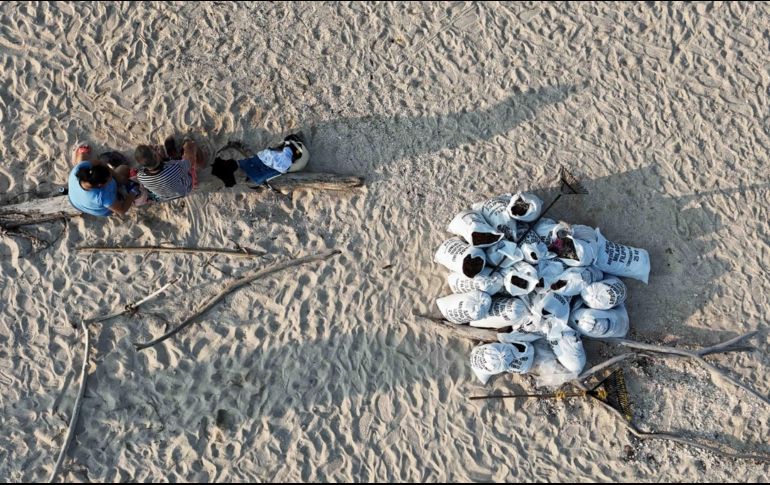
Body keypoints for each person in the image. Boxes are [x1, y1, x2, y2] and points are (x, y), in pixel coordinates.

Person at [67, 145, 139, 216]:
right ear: (100, 185)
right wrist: (133, 192)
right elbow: (122, 211)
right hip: (103, 210)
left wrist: (118, 177)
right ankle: (119, 195)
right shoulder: (102, 195)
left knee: (82, 155)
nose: (111, 179)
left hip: (74, 199)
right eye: (109, 180)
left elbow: (100, 163)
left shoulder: (79, 169)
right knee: (124, 168)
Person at [133, 137, 206, 201]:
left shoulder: (140, 176)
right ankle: (202, 162)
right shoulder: (175, 167)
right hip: (185, 189)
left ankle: (172, 155)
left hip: (165, 197)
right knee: (189, 145)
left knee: (162, 153)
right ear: (155, 155)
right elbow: (189, 162)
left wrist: (155, 153)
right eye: (154, 151)